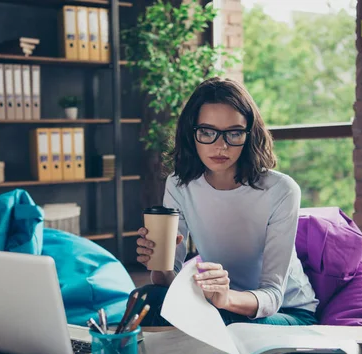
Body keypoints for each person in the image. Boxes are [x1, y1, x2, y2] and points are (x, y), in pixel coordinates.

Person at [133, 77, 319, 326]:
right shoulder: (179, 185)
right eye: (207, 132)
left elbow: (273, 296)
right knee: (144, 299)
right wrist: (159, 261)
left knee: (220, 322)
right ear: (192, 133)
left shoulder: (281, 190)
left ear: (249, 134)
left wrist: (224, 299)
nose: (220, 146)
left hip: (285, 312)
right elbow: (168, 281)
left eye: (233, 133)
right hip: (216, 302)